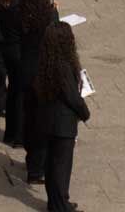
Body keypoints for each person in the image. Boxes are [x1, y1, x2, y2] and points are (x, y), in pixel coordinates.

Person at [34, 22, 90, 212]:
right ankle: (61, 205)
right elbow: (72, 97)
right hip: (62, 124)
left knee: (52, 165)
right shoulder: (64, 67)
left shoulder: (45, 62)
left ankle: (55, 202)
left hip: (47, 120)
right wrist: (84, 112)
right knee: (62, 166)